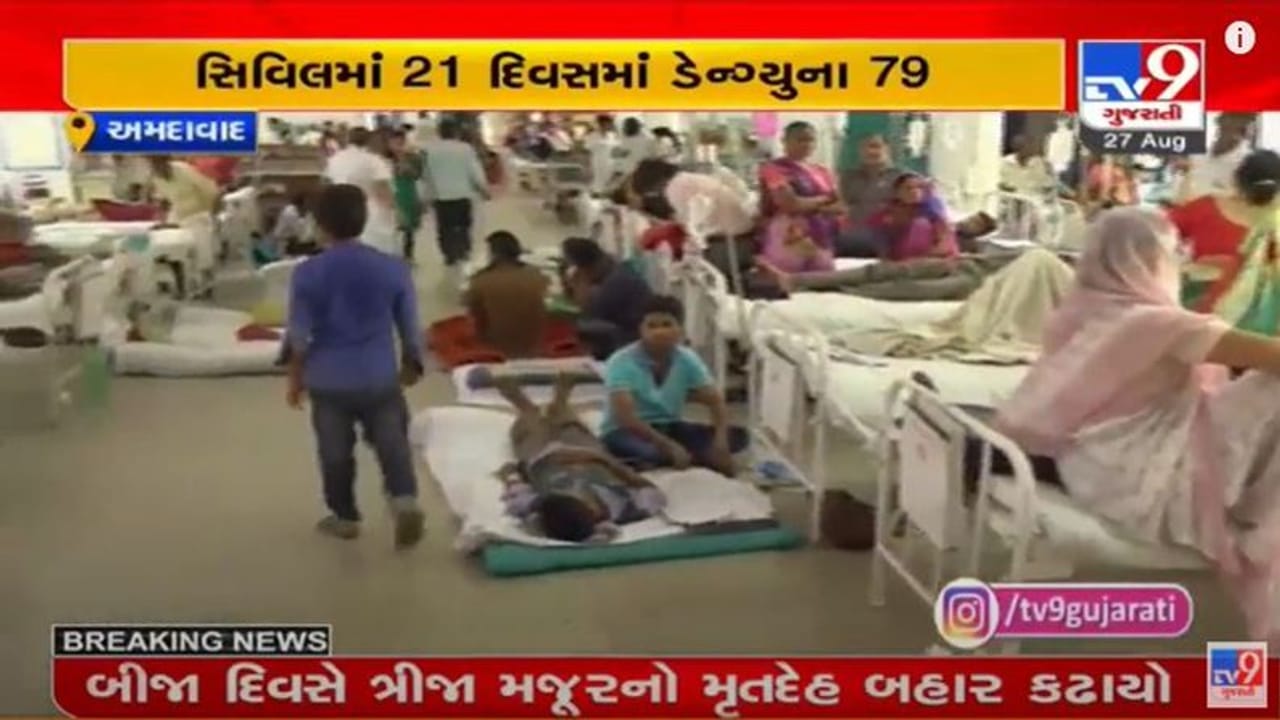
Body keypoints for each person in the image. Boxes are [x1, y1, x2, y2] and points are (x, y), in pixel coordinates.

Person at [995, 206, 1280, 645]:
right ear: (1151, 259)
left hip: (1091, 465)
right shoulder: (1159, 323)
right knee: (1271, 387)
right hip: (1147, 481)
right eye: (1174, 251)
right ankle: (1265, 526)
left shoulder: (1081, 309)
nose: (1181, 260)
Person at [284, 183, 426, 549]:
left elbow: (298, 334)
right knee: (392, 443)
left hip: (328, 380)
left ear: (320, 224)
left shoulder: (308, 273)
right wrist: (412, 360)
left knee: (334, 453)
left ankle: (345, 517)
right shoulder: (392, 268)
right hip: (379, 375)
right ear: (362, 220)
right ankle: (404, 501)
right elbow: (410, 325)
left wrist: (295, 378)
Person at [494, 374, 667, 543]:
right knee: (572, 428)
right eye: (576, 495)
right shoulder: (627, 507)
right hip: (588, 456)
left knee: (529, 432)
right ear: (594, 511)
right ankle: (560, 400)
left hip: (543, 460)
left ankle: (524, 406)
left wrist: (511, 476)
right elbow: (651, 490)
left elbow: (517, 498)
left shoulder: (540, 505)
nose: (573, 490)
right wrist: (605, 461)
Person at [599, 295, 741, 476]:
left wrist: (721, 443)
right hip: (626, 431)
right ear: (640, 330)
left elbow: (715, 401)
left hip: (669, 426)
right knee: (651, 454)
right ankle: (691, 457)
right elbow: (626, 418)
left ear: (680, 329)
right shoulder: (621, 362)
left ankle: (694, 456)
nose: (660, 332)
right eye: (652, 326)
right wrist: (667, 445)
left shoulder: (687, 359)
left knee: (738, 437)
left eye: (667, 325)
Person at [1169, 150, 1280, 329]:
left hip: (1211, 310)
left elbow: (1156, 237)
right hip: (1264, 322)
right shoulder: (1271, 224)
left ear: (1236, 179)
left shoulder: (1206, 207)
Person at [626, 159, 757, 287]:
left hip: (729, 246)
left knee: (681, 275)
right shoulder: (687, 179)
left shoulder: (675, 189)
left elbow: (693, 230)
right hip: (743, 240)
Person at [756, 121, 843, 273]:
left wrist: (810, 204)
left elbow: (840, 205)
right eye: (801, 139)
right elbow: (790, 205)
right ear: (784, 141)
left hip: (821, 236)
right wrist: (824, 200)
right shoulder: (773, 169)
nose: (807, 144)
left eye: (811, 140)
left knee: (823, 281)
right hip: (788, 238)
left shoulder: (822, 171)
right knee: (787, 281)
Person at [421, 117, 491, 285]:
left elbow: (426, 175)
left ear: (439, 132)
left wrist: (425, 197)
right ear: (456, 132)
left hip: (441, 196)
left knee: (444, 227)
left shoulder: (430, 150)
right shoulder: (465, 149)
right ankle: (463, 251)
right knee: (463, 225)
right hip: (461, 194)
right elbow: (474, 171)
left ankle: (449, 254)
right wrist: (483, 189)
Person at [561, 237, 652, 360]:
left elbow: (587, 315)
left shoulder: (616, 283)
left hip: (631, 343)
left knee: (577, 328)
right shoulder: (619, 272)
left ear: (587, 268)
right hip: (633, 338)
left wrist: (581, 284)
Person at [465, 231, 550, 358]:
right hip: (535, 345)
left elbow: (473, 314)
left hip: (495, 349)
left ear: (493, 254)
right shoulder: (536, 274)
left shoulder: (480, 280)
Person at [324, 127, 399, 255]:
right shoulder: (374, 160)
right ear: (370, 140)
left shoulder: (334, 160)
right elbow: (382, 190)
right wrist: (395, 210)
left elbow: (328, 184)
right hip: (371, 213)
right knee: (376, 253)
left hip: (341, 212)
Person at [864, 172, 958, 261]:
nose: (915, 191)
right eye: (908, 188)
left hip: (935, 257)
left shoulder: (933, 210)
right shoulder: (889, 212)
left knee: (922, 224)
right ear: (897, 193)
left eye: (919, 187)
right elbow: (873, 227)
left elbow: (945, 239)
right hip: (901, 259)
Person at [837, 134, 901, 256]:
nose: (870, 151)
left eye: (876, 146)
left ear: (887, 149)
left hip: (888, 237)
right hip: (853, 236)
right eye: (865, 147)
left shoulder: (900, 177)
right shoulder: (848, 178)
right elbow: (840, 205)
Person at [1178, 113, 1256, 202]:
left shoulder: (1248, 163)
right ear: (1220, 121)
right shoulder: (1197, 154)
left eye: (1243, 122)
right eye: (1232, 119)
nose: (1236, 125)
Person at [385, 129, 425, 262]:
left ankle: (408, 254)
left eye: (400, 142)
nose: (398, 146)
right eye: (394, 142)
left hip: (408, 192)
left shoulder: (413, 157)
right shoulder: (383, 158)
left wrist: (408, 168)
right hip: (391, 192)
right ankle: (392, 254)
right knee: (392, 226)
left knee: (409, 227)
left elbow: (418, 175)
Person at [147, 155, 219, 223]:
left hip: (201, 214)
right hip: (180, 216)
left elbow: (209, 190)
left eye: (157, 162)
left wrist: (212, 212)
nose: (155, 166)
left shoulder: (181, 168)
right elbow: (166, 200)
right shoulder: (155, 177)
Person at [584, 114, 619, 196]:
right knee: (597, 184)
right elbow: (587, 152)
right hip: (597, 164)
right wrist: (587, 166)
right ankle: (596, 196)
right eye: (606, 124)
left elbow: (617, 150)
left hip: (611, 164)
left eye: (609, 123)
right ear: (600, 124)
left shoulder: (612, 136)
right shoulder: (592, 136)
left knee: (609, 186)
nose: (608, 126)